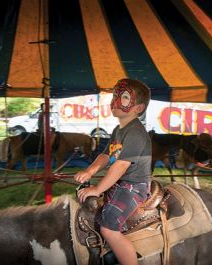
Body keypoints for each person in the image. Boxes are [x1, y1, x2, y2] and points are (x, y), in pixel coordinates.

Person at [74, 78, 151, 265]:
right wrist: (90, 171)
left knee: (108, 227)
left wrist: (97, 189)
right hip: (122, 183)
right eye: (115, 95)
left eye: (124, 97)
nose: (115, 101)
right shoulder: (119, 129)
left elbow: (120, 165)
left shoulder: (136, 132)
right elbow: (107, 155)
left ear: (138, 108)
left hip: (134, 187)